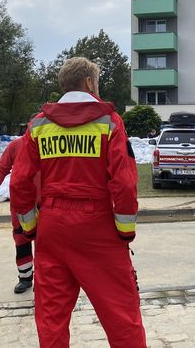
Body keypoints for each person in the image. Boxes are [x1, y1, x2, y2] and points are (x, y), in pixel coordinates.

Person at [11, 57, 146, 347]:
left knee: (51, 316)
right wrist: (125, 230)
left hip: (52, 226)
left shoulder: (38, 125)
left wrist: (31, 228)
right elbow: (123, 182)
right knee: (121, 313)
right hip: (97, 227)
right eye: (96, 82)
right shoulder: (109, 121)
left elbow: (20, 182)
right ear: (88, 82)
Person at [0, 133, 40, 294]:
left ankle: (42, 279)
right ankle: (25, 278)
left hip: (46, 203)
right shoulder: (15, 145)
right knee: (21, 239)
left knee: (45, 242)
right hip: (21, 203)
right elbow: (1, 170)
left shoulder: (50, 143)